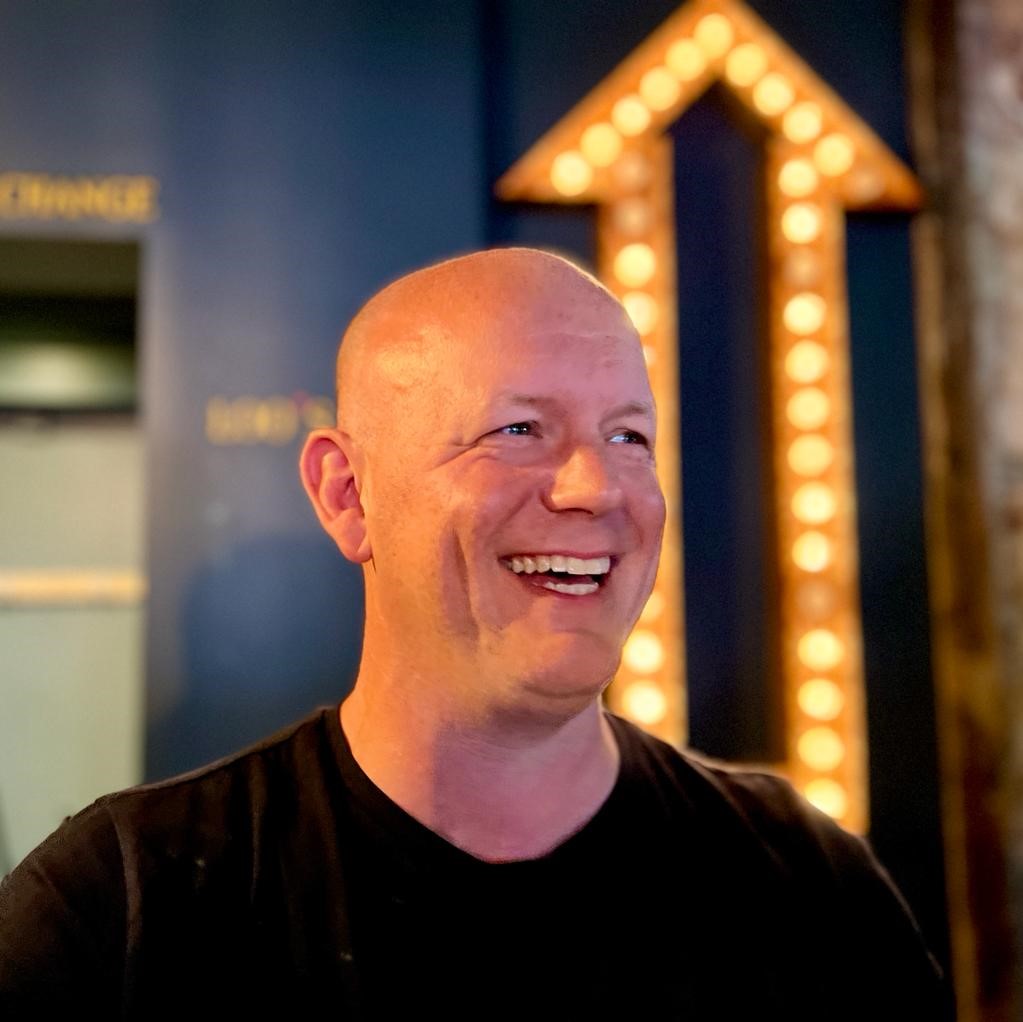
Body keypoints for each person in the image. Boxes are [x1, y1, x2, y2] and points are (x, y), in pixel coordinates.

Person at [0, 248, 952, 1019]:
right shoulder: (124, 910)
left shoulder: (810, 890)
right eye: (518, 429)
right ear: (347, 494)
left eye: (629, 437)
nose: (595, 488)